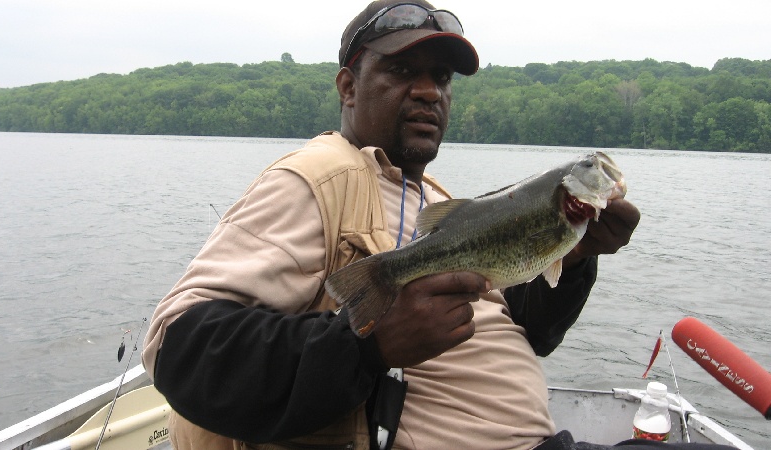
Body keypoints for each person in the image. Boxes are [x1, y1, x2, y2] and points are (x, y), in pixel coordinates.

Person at [141, 2, 727, 449]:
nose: (428, 92)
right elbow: (175, 346)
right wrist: (364, 345)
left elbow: (531, 336)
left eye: (442, 79)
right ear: (348, 85)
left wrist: (574, 258)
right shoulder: (320, 176)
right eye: (402, 71)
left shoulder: (438, 202)